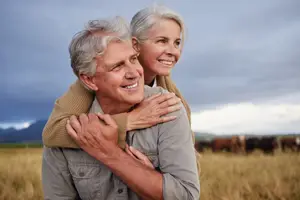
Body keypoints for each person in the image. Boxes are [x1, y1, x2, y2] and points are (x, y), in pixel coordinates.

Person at [42, 16, 200, 200]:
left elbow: (186, 195)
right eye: (117, 67)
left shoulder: (167, 105)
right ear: (89, 80)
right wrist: (126, 123)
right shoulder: (67, 125)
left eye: (134, 59)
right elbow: (51, 134)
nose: (133, 73)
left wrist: (113, 156)